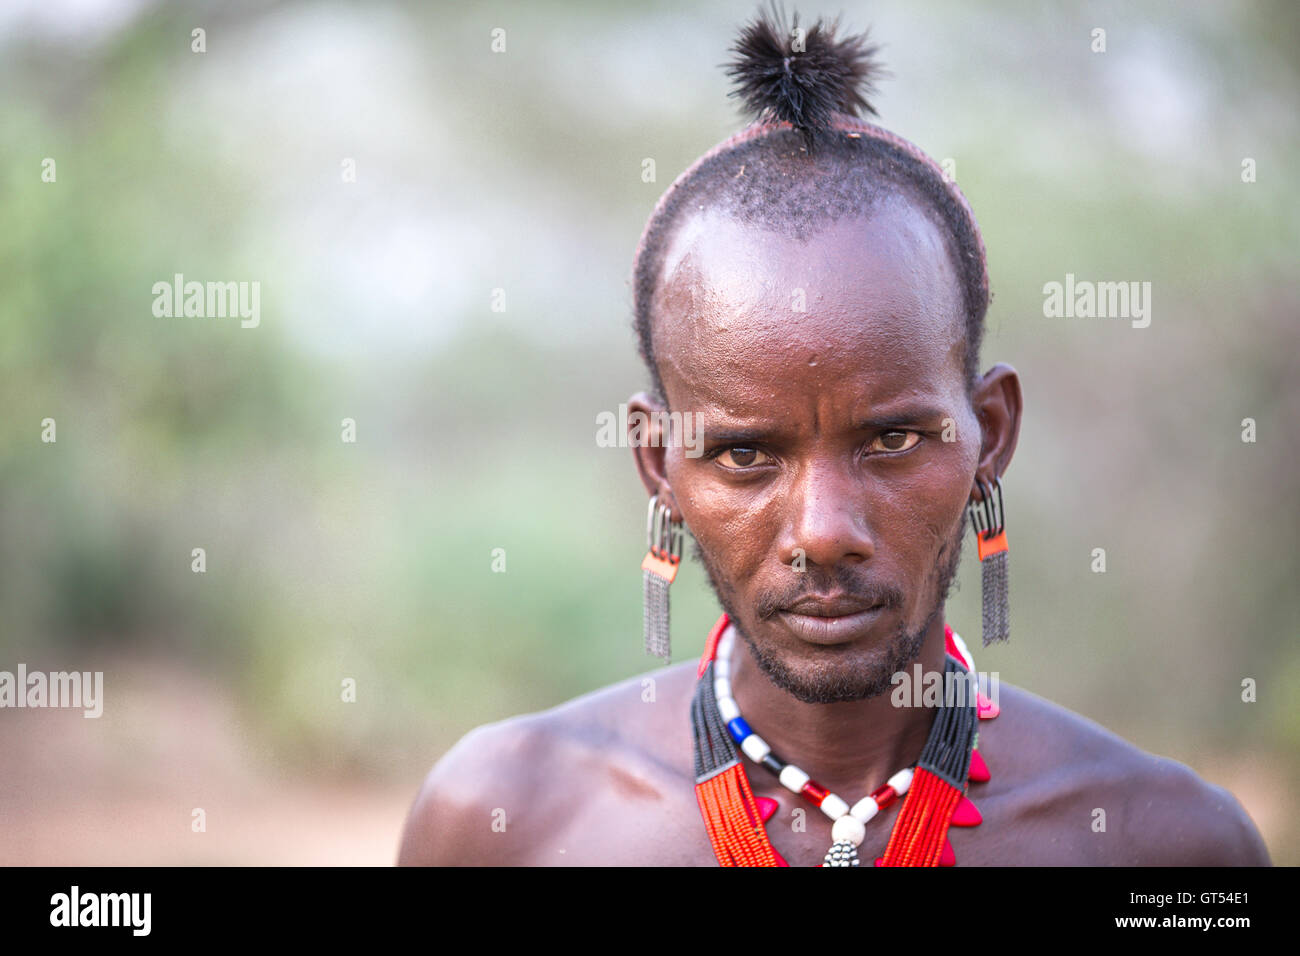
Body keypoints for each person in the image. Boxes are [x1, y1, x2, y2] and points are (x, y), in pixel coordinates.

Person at [398, 9, 1270, 866]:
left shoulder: (1164, 848)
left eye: (890, 439)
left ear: (991, 437)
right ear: (659, 462)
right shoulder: (504, 820)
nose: (823, 531)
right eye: (745, 454)